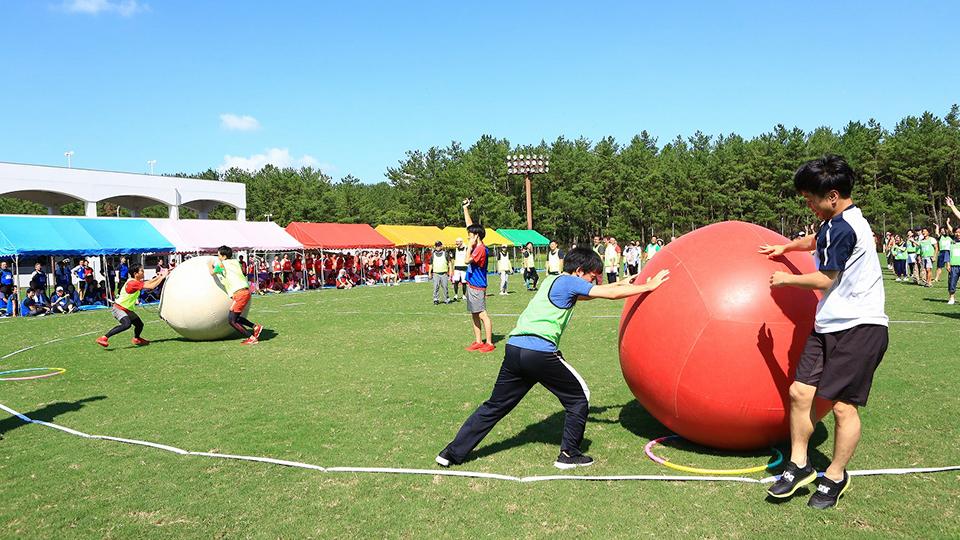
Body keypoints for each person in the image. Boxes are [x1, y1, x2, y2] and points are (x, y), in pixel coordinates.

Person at [436, 247, 670, 469]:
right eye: (592, 277)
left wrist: (625, 282)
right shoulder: (570, 282)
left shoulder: (553, 279)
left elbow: (594, 294)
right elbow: (609, 294)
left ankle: (450, 453)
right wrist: (648, 286)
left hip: (514, 349)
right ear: (579, 271)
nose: (594, 281)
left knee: (495, 406)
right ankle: (569, 455)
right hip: (539, 354)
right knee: (579, 398)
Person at [759, 155, 888, 509]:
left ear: (832, 196)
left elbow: (825, 278)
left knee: (844, 408)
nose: (808, 205)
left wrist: (786, 278)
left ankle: (834, 475)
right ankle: (799, 465)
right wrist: (786, 247)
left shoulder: (845, 227)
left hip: (860, 327)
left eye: (810, 199)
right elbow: (817, 240)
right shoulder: (839, 221)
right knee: (801, 392)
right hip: (828, 324)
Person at [96, 264, 167, 348]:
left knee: (139, 324)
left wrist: (159, 277)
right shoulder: (133, 283)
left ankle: (136, 339)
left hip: (127, 309)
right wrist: (162, 277)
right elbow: (151, 286)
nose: (143, 272)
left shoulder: (134, 281)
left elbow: (147, 282)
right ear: (135, 273)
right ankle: (103, 338)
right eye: (141, 271)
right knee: (127, 324)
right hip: (119, 308)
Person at [209, 245, 264, 345]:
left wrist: (210, 264)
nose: (218, 258)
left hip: (240, 293)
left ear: (224, 256)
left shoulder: (222, 265)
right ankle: (255, 327)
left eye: (219, 256)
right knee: (236, 317)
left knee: (232, 320)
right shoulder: (235, 262)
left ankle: (251, 338)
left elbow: (212, 272)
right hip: (244, 291)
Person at [461, 199, 494, 353]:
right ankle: (478, 341)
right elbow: (470, 224)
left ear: (476, 236)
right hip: (472, 285)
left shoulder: (480, 249)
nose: (468, 236)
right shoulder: (476, 245)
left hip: (478, 286)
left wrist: (469, 246)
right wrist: (465, 209)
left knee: (482, 314)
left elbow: (466, 260)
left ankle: (489, 343)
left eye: (470, 235)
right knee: (474, 314)